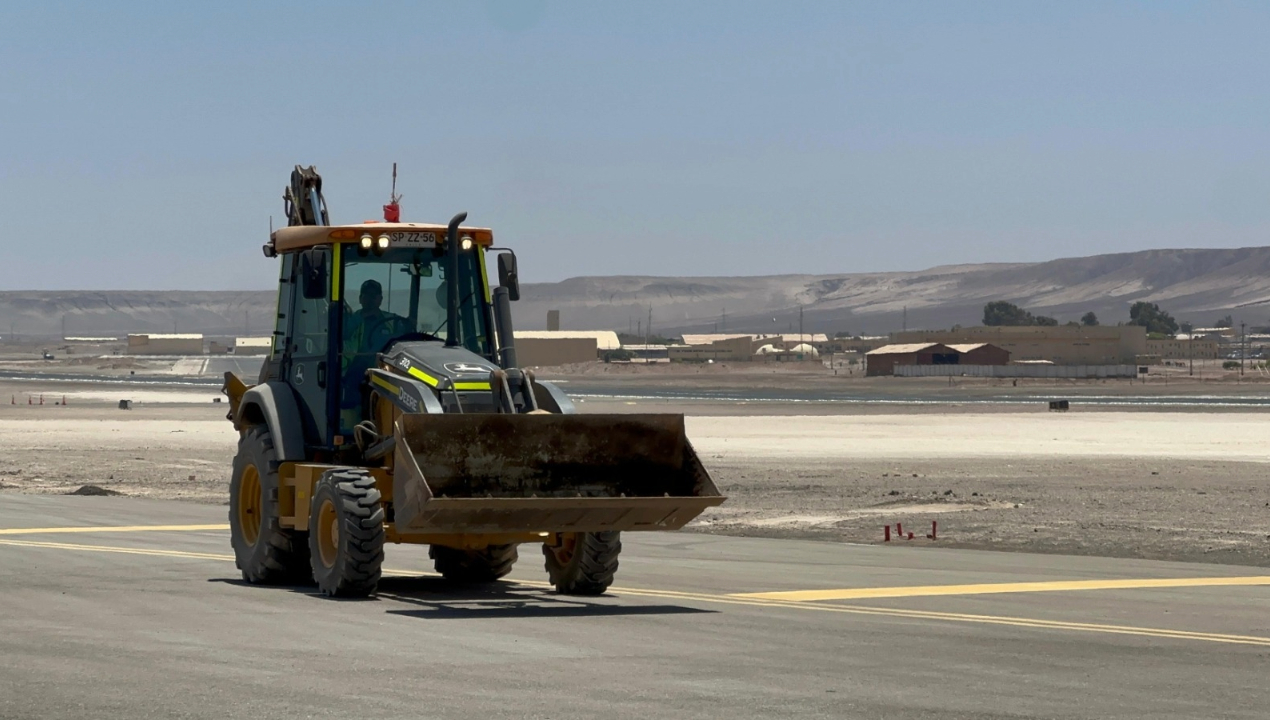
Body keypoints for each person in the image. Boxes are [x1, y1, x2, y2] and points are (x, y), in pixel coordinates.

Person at [340, 279, 410, 425]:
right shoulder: (352, 320)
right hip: (357, 368)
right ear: (360, 299)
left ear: (380, 299)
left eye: (374, 296)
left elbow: (405, 337)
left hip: (387, 368)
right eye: (366, 295)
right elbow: (343, 335)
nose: (369, 299)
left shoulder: (392, 321)